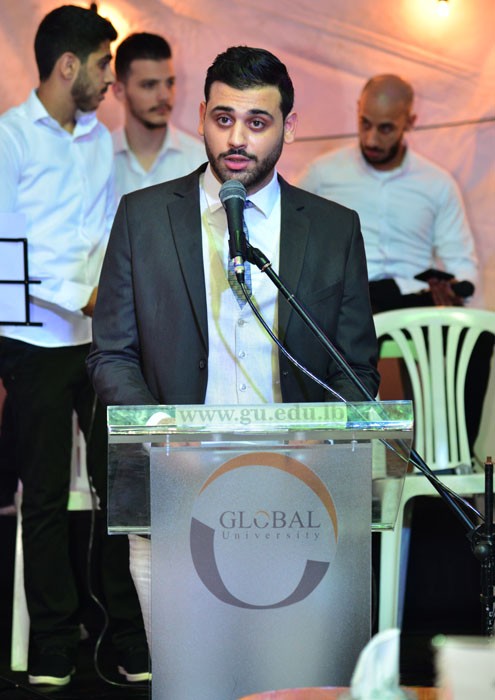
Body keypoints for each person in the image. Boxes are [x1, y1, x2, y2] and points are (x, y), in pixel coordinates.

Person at [86, 45, 380, 644]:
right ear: (201, 118)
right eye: (223, 119)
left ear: (289, 128)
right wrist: (165, 436)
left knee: (289, 666)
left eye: (257, 121)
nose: (237, 138)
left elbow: (355, 369)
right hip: (175, 482)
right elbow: (111, 354)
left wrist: (315, 446)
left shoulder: (333, 228)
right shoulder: (143, 218)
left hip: (297, 490)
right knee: (187, 667)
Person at [0, 6, 148, 687]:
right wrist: (76, 294)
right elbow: (5, 248)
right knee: (44, 496)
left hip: (98, 339)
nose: (110, 79)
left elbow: (107, 226)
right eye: (102, 65)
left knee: (121, 486)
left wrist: (109, 295)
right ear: (68, 66)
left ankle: (127, 634)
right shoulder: (9, 138)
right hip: (31, 339)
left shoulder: (97, 137)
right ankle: (54, 642)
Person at [298, 74, 479, 312]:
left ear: (410, 122)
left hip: (414, 304)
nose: (371, 140)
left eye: (385, 128)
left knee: (478, 332)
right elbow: (286, 234)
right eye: (365, 123)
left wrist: (457, 289)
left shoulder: (438, 183)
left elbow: (461, 262)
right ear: (358, 109)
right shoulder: (322, 174)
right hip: (347, 302)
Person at [112, 32, 206, 198]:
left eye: (169, 83)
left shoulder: (199, 160)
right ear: (119, 90)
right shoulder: (98, 157)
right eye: (149, 85)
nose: (164, 95)